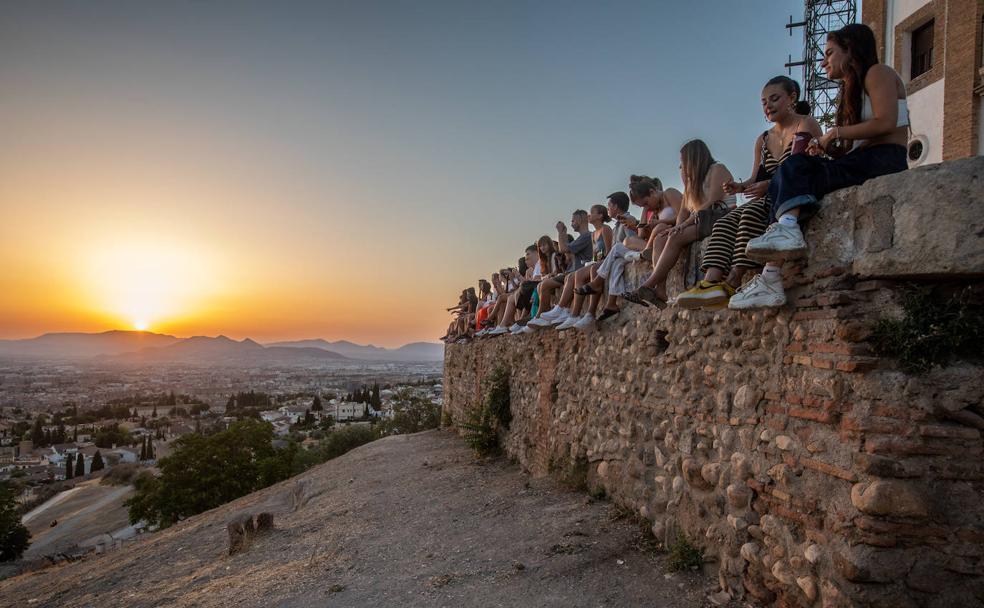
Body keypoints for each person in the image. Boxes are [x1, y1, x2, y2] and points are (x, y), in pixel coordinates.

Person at [729, 23, 910, 309]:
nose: (824, 61)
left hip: (885, 158)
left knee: (794, 167)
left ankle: (786, 232)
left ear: (850, 50)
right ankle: (772, 274)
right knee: (787, 174)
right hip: (861, 160)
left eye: (829, 53)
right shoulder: (848, 92)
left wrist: (833, 134)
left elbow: (886, 122)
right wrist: (825, 147)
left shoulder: (878, 73)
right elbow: (850, 146)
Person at [675, 76, 822, 309]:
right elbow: (756, 177)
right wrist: (740, 187)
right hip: (767, 197)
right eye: (764, 102)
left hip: (788, 197)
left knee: (749, 213)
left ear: (792, 98)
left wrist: (768, 186)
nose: (768, 106)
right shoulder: (763, 140)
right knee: (724, 223)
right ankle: (710, 283)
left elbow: (797, 171)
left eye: (774, 99)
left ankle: (734, 279)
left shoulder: (805, 125)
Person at [623, 140, 736, 308]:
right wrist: (677, 226)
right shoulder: (691, 185)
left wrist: (683, 226)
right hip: (700, 222)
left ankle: (647, 285)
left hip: (719, 217)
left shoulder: (717, 170)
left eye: (682, 162)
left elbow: (712, 202)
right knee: (662, 238)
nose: (681, 167)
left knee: (676, 237)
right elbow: (683, 211)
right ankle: (660, 291)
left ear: (693, 159)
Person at [531, 204, 613, 330]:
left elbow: (564, 249)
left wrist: (561, 232)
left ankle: (561, 311)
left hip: (590, 267)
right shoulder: (590, 236)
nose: (571, 223)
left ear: (581, 219)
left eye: (573, 220)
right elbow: (571, 253)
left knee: (549, 283)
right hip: (584, 267)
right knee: (548, 283)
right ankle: (559, 312)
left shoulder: (592, 234)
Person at [487, 245, 542, 335]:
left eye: (528, 255)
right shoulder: (534, 267)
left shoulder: (539, 264)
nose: (526, 259)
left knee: (514, 295)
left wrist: (516, 277)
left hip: (534, 289)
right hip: (529, 289)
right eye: (525, 258)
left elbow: (534, 281)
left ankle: (517, 322)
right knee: (511, 297)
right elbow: (529, 283)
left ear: (536, 253)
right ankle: (503, 325)